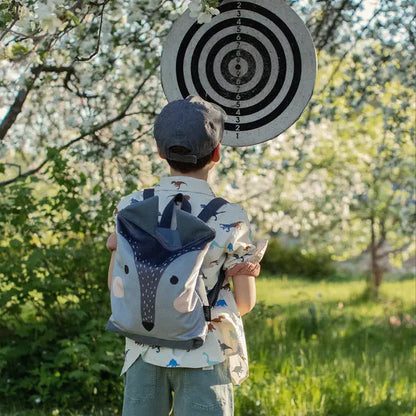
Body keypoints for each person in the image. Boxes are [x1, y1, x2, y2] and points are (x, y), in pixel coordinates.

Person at [106, 96, 265, 416]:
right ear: (217, 153)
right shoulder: (229, 216)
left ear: (160, 151)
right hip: (205, 352)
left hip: (142, 350)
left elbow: (115, 284)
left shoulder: (132, 206)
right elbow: (245, 303)